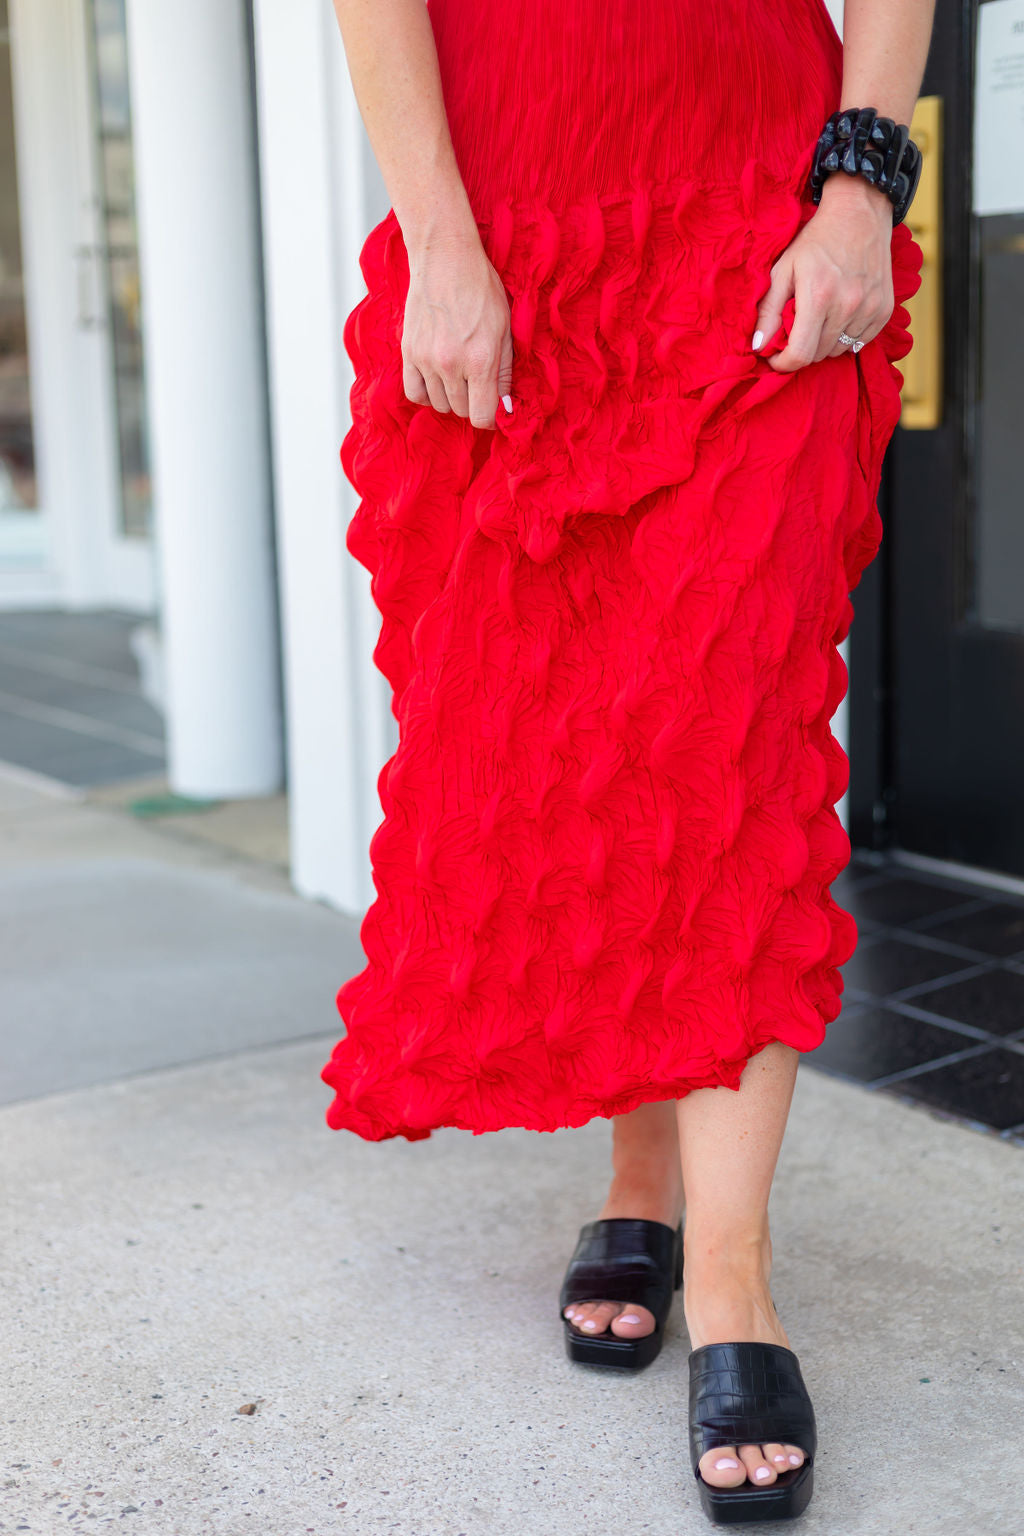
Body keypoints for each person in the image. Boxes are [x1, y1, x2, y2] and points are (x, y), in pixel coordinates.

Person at [323, 0, 936, 1522]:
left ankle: (732, 1284)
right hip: (511, 228)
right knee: (588, 755)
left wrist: (862, 186)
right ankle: (641, 1183)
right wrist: (441, 245)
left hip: (754, 222)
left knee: (725, 745)